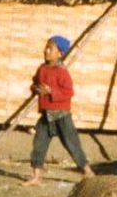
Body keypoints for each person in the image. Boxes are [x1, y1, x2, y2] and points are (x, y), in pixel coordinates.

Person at [24, 34, 93, 185]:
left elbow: (69, 92)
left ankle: (87, 171)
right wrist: (36, 88)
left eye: (50, 48)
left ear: (60, 53)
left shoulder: (62, 72)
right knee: (39, 144)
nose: (46, 50)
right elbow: (34, 83)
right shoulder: (42, 69)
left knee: (72, 144)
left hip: (61, 116)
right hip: (46, 116)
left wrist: (51, 92)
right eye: (46, 47)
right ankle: (36, 176)